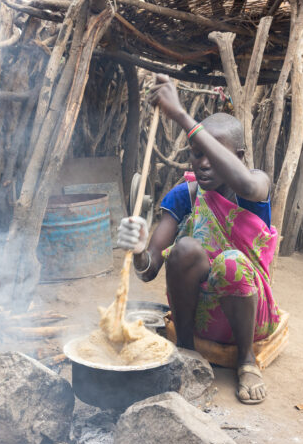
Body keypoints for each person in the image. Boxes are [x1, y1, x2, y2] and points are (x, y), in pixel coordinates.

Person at [117, 74, 281, 405]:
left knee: (230, 262)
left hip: (250, 316)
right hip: (198, 316)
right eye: (196, 154)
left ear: (240, 155)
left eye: (213, 153)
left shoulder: (254, 185)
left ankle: (246, 361)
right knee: (186, 248)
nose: (203, 164)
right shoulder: (184, 196)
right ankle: (187, 350)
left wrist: (181, 116)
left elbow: (248, 186)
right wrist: (137, 251)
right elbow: (148, 269)